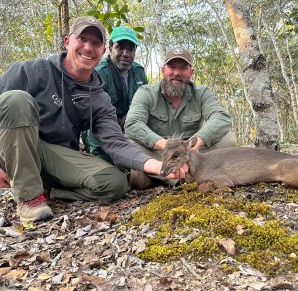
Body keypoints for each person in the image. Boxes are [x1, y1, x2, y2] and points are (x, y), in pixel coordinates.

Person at [0, 17, 187, 223]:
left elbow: (117, 143)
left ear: (102, 50)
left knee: (115, 183)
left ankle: (52, 192)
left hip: (54, 155)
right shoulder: (32, 71)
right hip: (12, 148)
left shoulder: (99, 98)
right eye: (82, 39)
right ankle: (29, 199)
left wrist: (161, 167)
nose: (88, 48)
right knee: (16, 99)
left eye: (96, 43)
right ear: (67, 41)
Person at [125, 47, 237, 188]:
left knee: (229, 138)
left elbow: (221, 117)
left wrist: (196, 142)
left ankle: (164, 177)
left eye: (183, 68)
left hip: (192, 154)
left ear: (191, 72)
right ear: (163, 70)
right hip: (158, 153)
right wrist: (165, 145)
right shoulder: (145, 92)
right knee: (128, 141)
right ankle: (182, 176)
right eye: (171, 67)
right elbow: (133, 124)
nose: (176, 73)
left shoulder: (202, 93)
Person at [84, 26, 148, 158]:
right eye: (120, 47)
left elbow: (146, 103)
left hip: (133, 132)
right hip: (104, 138)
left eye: (130, 49)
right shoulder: (100, 74)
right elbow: (94, 116)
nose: (126, 53)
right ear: (110, 48)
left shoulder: (138, 72)